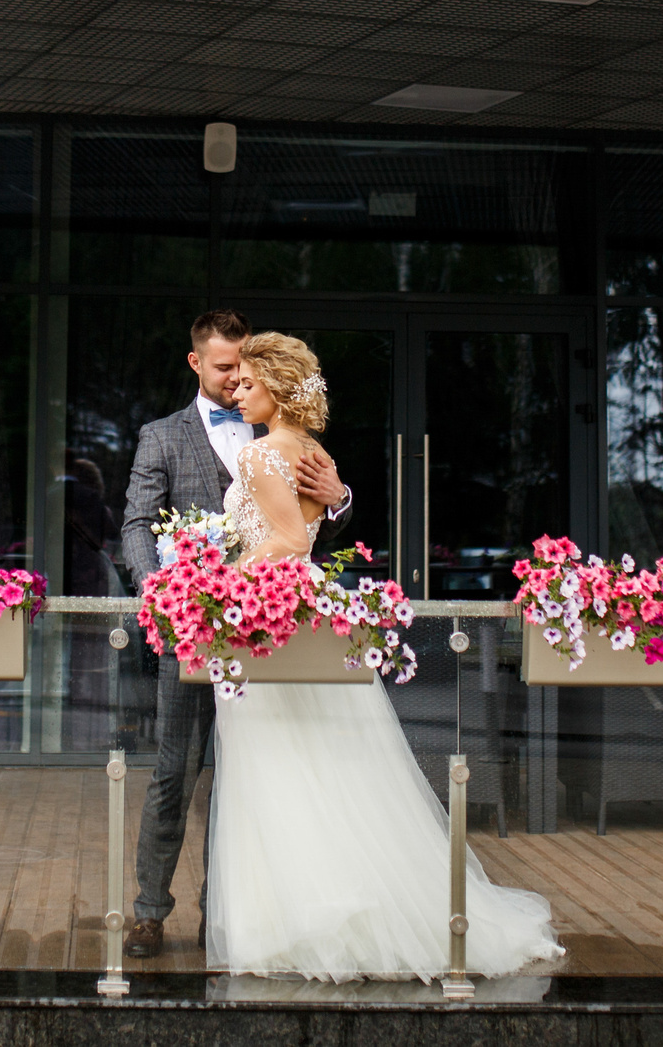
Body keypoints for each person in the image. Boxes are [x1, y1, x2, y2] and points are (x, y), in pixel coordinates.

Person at [205, 333, 562, 981]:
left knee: (280, 770)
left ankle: (297, 923)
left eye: (249, 382)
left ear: (281, 389)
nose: (237, 389)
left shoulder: (260, 455)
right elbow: (307, 530)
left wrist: (218, 580)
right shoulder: (315, 453)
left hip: (267, 612)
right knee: (332, 767)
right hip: (308, 607)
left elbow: (286, 538)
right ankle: (338, 909)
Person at [119, 310, 350, 960]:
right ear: (196, 362)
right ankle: (148, 912)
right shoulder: (160, 436)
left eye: (243, 367)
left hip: (269, 636)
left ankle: (227, 914)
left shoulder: (275, 422)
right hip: (193, 633)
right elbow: (136, 523)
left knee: (249, 780)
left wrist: (339, 498)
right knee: (174, 773)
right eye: (224, 367)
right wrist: (158, 595)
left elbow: (308, 527)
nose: (235, 379)